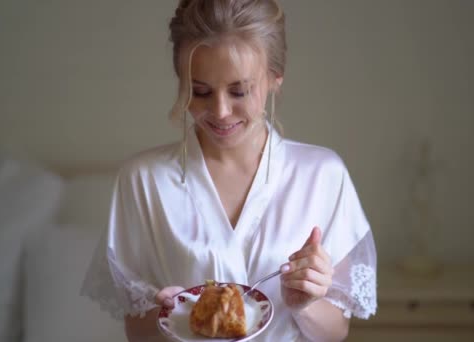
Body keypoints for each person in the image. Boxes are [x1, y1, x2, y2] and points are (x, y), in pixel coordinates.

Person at [81, 0, 377, 341]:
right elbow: (137, 333)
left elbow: (336, 333)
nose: (220, 112)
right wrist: (171, 318)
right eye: (201, 91)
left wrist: (305, 303)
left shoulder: (322, 175)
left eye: (240, 90)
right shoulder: (143, 180)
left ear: (275, 79)